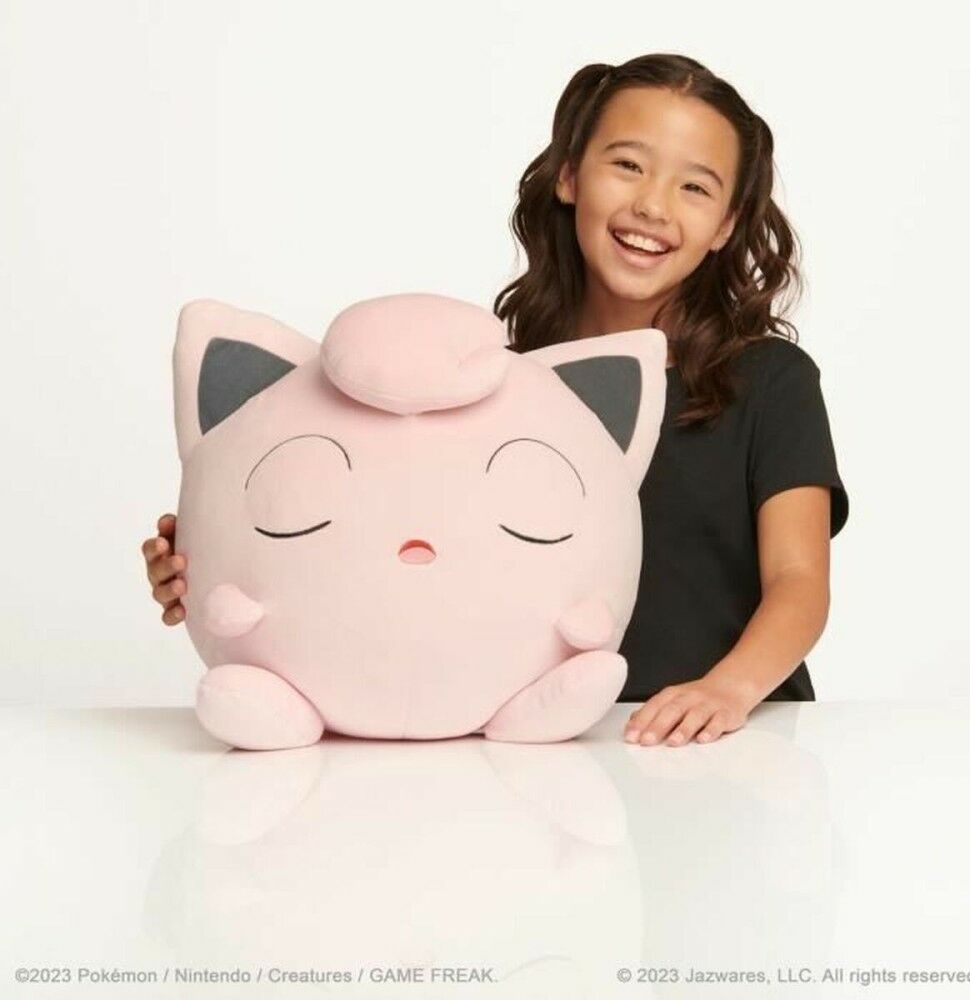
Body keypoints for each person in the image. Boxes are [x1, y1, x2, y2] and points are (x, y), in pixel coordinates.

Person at [142, 53, 848, 750]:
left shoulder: (770, 380)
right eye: (628, 165)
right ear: (569, 175)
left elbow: (799, 582)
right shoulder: (505, 381)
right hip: (545, 749)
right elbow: (408, 547)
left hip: (729, 742)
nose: (653, 206)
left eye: (695, 187)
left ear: (726, 224)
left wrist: (727, 690)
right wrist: (226, 555)